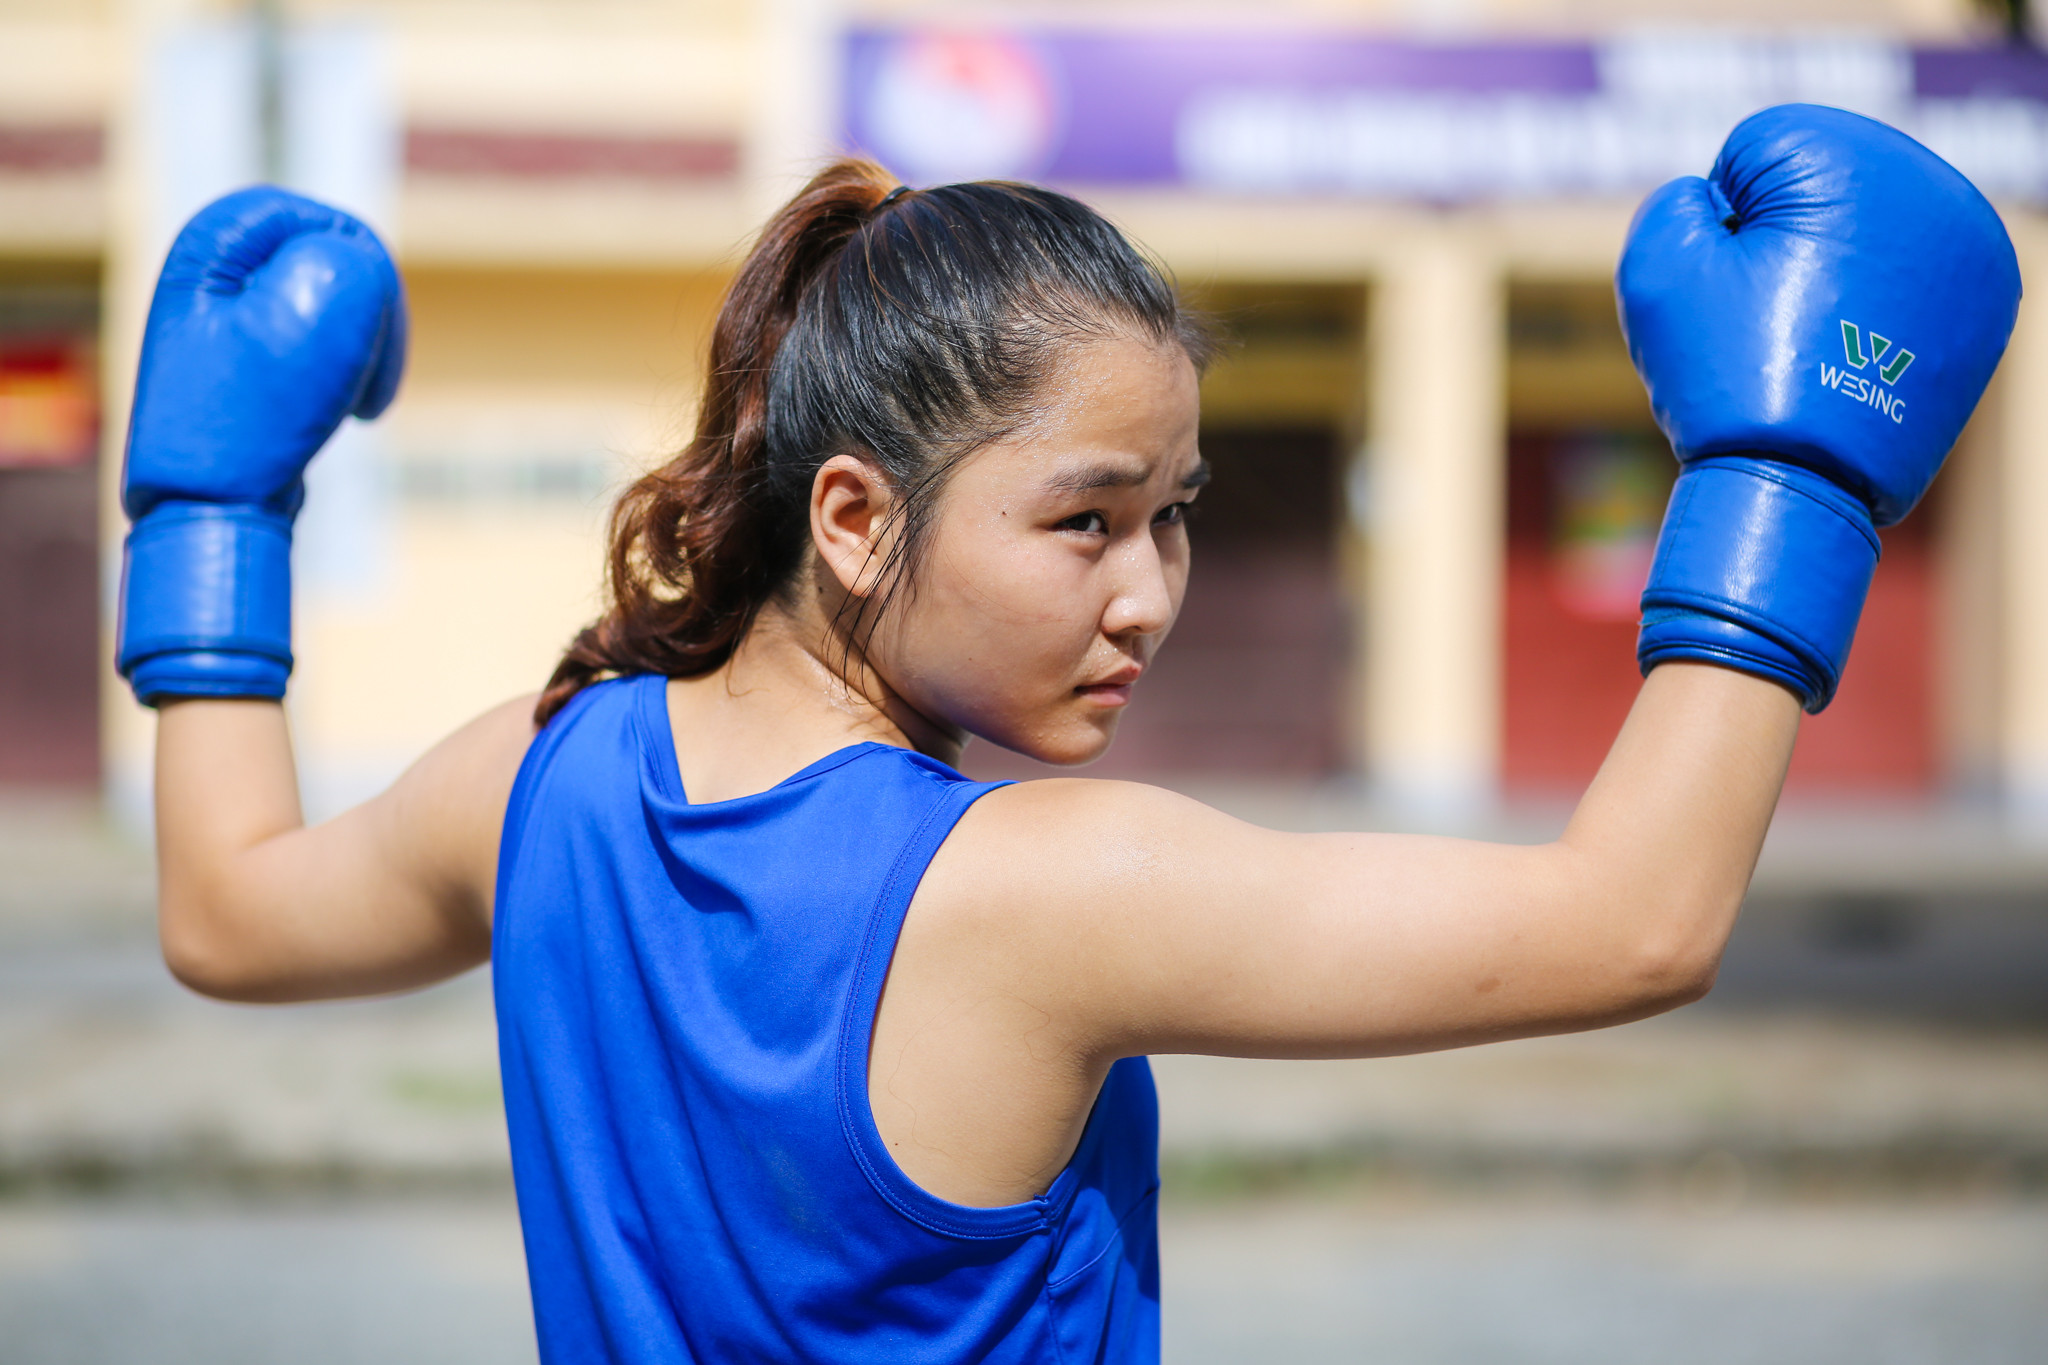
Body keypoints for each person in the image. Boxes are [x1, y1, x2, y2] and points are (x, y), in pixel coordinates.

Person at [120, 105, 2018, 1363]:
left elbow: (225, 908)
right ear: (854, 515)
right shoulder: (1039, 887)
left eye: (1178, 512)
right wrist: (1796, 465)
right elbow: (1639, 920)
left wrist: (209, 514)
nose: (1151, 594)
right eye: (1087, 517)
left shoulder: (541, 773)